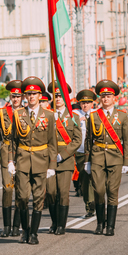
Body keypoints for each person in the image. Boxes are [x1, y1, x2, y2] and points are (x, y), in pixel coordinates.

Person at [8, 76, 57, 245]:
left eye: (34, 94)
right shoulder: (18, 114)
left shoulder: (49, 116)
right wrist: (10, 161)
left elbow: (52, 142)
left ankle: (33, 233)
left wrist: (52, 165)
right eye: (28, 94)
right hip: (22, 160)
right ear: (25, 96)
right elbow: (13, 140)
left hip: (41, 160)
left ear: (39, 96)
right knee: (21, 197)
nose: (31, 97)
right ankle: (25, 230)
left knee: (38, 197)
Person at [84, 79, 128, 236]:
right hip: (97, 157)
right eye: (103, 96)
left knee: (112, 190)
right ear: (100, 99)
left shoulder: (122, 116)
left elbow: (126, 140)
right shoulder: (93, 116)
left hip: (115, 157)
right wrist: (87, 161)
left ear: (114, 98)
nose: (105, 99)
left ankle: (110, 226)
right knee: (98, 190)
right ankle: (99, 223)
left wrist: (127, 162)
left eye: (108, 96)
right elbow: (88, 139)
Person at [46, 81, 81, 235]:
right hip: (49, 159)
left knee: (63, 193)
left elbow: (77, 139)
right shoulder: (46, 115)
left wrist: (64, 154)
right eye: (55, 96)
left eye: (60, 96)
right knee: (51, 192)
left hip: (65, 159)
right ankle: (54, 221)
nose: (58, 98)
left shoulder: (73, 117)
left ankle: (61, 225)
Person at [0, 80, 23, 237]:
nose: (15, 99)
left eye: (18, 96)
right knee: (7, 188)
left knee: (21, 189)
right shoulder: (2, 112)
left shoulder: (26, 112)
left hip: (22, 151)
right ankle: (6, 225)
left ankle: (16, 226)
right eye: (13, 96)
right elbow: (0, 132)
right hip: (7, 151)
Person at [73, 89, 97, 217]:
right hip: (81, 152)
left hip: (95, 152)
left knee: (97, 179)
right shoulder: (74, 114)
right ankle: (89, 205)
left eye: (88, 102)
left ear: (92, 103)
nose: (85, 105)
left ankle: (96, 202)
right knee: (84, 180)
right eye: (83, 103)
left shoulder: (97, 114)